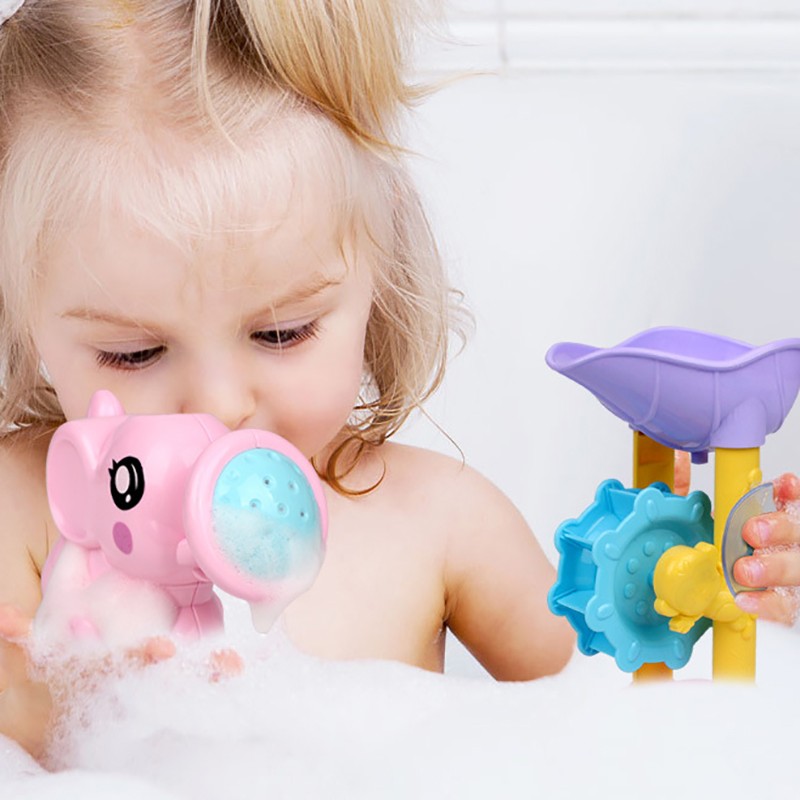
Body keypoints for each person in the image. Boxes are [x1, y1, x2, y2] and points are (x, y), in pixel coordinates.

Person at [0, 0, 575, 761]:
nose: (218, 405)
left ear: (378, 269)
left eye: (281, 333)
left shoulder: (446, 523)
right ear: (22, 311)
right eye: (134, 353)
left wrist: (722, 593)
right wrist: (48, 712)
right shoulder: (24, 508)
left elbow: (619, 724)